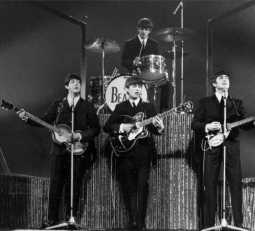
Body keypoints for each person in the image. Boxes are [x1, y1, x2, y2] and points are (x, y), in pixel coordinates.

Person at [17, 73, 100, 227]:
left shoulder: (86, 105)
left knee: (74, 185)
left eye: (78, 82)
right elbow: (44, 120)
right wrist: (27, 119)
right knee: (55, 185)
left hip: (78, 151)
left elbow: (95, 128)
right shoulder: (58, 104)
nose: (76, 84)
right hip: (58, 151)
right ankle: (51, 219)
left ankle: (71, 218)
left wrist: (80, 135)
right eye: (73, 82)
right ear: (66, 86)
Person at [191, 71, 255, 229]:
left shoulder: (236, 103)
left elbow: (245, 124)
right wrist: (207, 126)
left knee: (235, 183)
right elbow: (194, 124)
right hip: (212, 145)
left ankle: (238, 223)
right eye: (221, 78)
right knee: (209, 184)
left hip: (231, 146)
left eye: (227, 78)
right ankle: (208, 224)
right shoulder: (205, 102)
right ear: (214, 84)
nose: (225, 80)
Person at [103, 76, 164, 230]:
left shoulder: (148, 107)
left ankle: (141, 222)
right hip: (125, 154)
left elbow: (154, 131)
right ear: (127, 89)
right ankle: (132, 222)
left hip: (144, 153)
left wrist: (160, 127)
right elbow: (107, 127)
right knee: (129, 187)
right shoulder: (121, 107)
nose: (137, 89)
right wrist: (122, 127)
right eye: (134, 86)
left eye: (139, 86)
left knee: (143, 187)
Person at [121, 17, 170, 112]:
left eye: (146, 29)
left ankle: (162, 111)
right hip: (135, 76)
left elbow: (156, 61)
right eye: (142, 29)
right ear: (138, 29)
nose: (144, 31)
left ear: (149, 31)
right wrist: (132, 62)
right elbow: (123, 62)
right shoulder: (130, 43)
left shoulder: (154, 44)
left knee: (166, 84)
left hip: (150, 76)